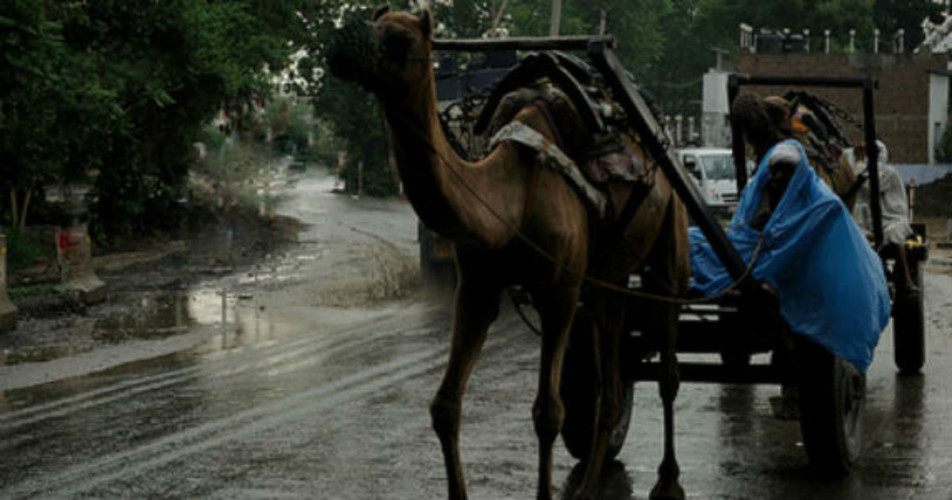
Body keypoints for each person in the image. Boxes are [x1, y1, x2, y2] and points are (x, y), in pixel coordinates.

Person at [851, 140, 917, 292]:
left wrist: (859, 163)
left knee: (894, 235)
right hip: (868, 221)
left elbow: (872, 186)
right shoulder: (863, 172)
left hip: (892, 218)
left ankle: (906, 280)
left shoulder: (889, 173)